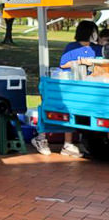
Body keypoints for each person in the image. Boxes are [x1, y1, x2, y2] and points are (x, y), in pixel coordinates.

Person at [32, 20, 97, 157]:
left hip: (88, 86)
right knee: (61, 109)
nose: (95, 34)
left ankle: (68, 144)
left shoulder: (96, 48)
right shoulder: (72, 47)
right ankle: (42, 138)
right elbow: (64, 64)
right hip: (70, 85)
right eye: (94, 31)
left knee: (73, 112)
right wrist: (79, 62)